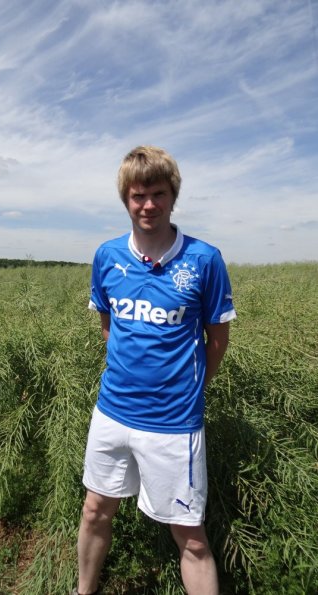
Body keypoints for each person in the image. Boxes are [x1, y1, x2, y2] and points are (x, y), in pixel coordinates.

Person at [73, 146, 236, 595]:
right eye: (138, 195)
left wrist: (187, 387)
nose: (148, 205)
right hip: (110, 414)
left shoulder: (204, 260)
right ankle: (83, 590)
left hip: (173, 425)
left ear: (173, 196)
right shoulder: (107, 256)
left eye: (158, 194)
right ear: (126, 198)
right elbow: (110, 327)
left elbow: (216, 340)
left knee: (190, 537)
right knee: (94, 510)